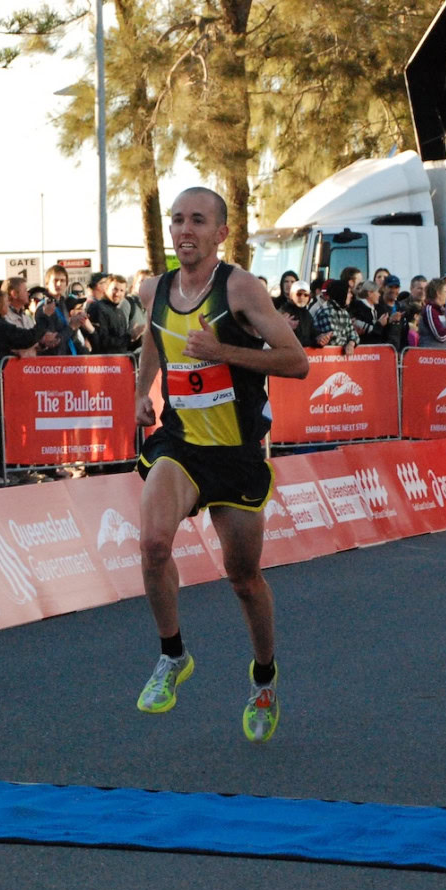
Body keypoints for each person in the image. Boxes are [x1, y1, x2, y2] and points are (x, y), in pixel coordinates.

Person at [131, 187, 309, 744]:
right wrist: (143, 391)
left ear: (220, 233)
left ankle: (263, 679)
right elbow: (155, 342)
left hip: (236, 453)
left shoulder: (240, 288)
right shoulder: (152, 288)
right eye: (178, 220)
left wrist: (224, 353)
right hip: (181, 444)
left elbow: (296, 362)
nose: (185, 230)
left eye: (198, 221)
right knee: (154, 544)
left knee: (244, 579)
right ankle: (172, 655)